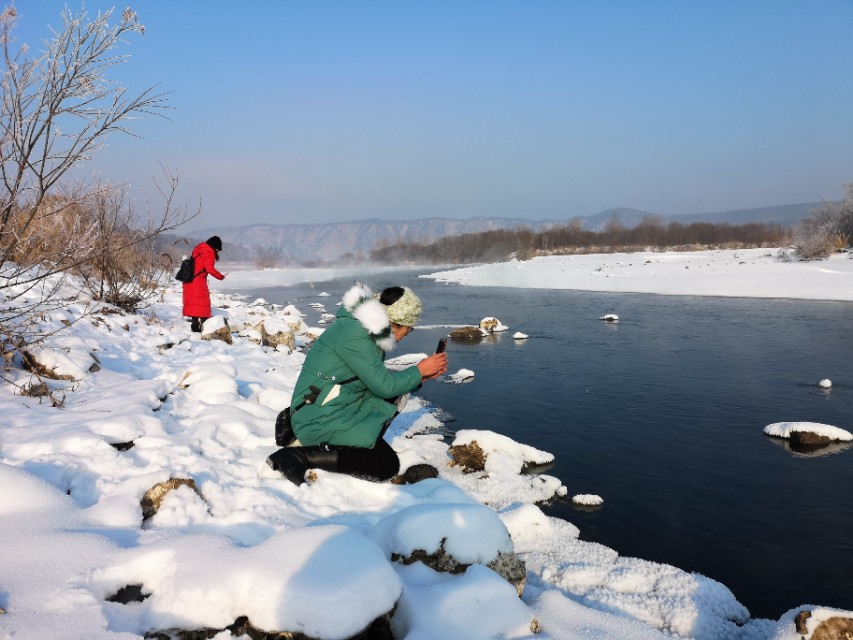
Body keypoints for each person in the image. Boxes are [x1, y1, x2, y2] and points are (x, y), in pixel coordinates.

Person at [267, 283, 448, 485]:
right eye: (409, 328)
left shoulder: (362, 329)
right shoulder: (356, 335)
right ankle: (299, 457)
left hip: (324, 402)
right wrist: (419, 370)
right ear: (395, 322)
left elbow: (375, 380)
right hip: (318, 416)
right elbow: (384, 386)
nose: (408, 333)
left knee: (397, 393)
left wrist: (419, 377)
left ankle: (357, 441)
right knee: (385, 466)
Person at [182, 236, 226, 332]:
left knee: (195, 304)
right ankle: (206, 328)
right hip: (198, 281)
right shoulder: (209, 252)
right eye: (218, 249)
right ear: (215, 247)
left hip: (189, 279)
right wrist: (220, 276)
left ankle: (194, 326)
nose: (218, 251)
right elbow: (210, 269)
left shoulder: (199, 248)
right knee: (203, 304)